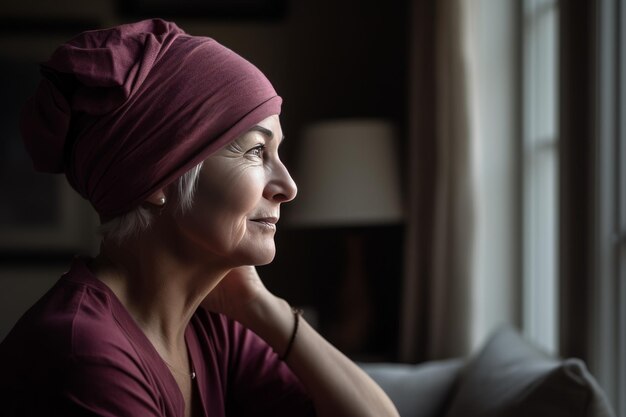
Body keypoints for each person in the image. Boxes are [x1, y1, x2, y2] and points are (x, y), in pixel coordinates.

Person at [0, 19, 399, 417]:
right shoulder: (84, 354)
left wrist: (264, 308)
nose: (288, 186)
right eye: (257, 151)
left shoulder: (210, 327)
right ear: (157, 177)